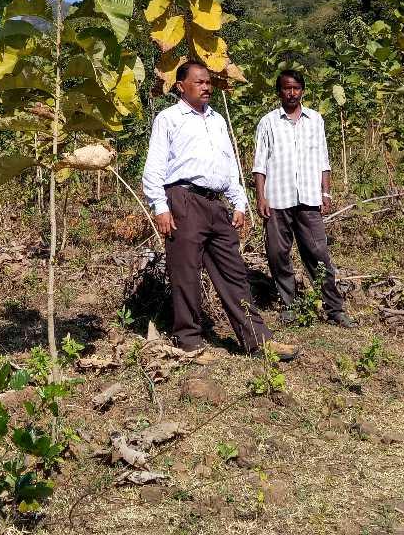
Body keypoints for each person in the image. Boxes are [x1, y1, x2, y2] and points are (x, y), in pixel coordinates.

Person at [143, 61, 296, 361]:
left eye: (208, 82)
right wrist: (160, 208)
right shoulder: (169, 119)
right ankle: (189, 342)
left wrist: (238, 201)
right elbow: (154, 167)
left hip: (216, 204)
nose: (206, 87)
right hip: (183, 199)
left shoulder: (217, 120)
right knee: (186, 273)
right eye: (199, 82)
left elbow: (228, 164)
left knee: (234, 272)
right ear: (180, 86)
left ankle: (258, 341)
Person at [251, 70, 355, 328]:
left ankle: (334, 309)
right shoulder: (268, 122)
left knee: (318, 253)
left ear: (302, 91)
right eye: (287, 88)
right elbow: (259, 164)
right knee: (277, 253)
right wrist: (261, 197)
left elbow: (323, 160)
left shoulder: (315, 120)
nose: (292, 93)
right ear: (279, 92)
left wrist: (326, 192)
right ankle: (291, 306)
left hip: (309, 198)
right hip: (277, 199)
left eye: (296, 88)